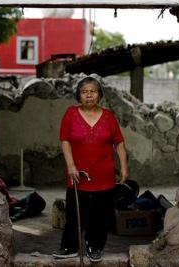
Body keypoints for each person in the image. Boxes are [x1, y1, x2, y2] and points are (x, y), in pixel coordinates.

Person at [52, 76, 129, 262]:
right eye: (84, 92)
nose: (89, 95)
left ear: (99, 95)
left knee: (100, 215)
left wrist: (124, 167)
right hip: (78, 174)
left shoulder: (109, 117)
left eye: (93, 91)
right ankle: (69, 247)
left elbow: (119, 143)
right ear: (79, 95)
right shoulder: (70, 114)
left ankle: (95, 247)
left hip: (104, 174)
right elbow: (65, 141)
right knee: (74, 213)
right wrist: (71, 166)